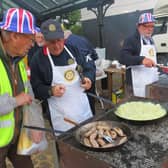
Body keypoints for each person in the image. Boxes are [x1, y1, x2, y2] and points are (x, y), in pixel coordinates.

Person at [30, 19, 95, 133]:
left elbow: (88, 66)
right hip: (61, 116)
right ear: (44, 40)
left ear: (64, 38)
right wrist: (50, 90)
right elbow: (35, 88)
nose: (56, 46)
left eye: (59, 40)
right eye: (51, 42)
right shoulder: (38, 59)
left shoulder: (73, 50)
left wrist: (88, 78)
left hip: (82, 108)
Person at [0, 8, 43, 168]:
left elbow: (29, 94)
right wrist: (15, 101)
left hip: (17, 135)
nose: (32, 45)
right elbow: (21, 99)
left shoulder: (18, 59)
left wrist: (36, 125)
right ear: (14, 36)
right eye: (30, 39)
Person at [119, 12, 158, 98]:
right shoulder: (131, 40)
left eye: (152, 26)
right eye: (146, 26)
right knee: (135, 108)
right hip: (135, 83)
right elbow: (122, 58)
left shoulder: (151, 40)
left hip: (151, 80)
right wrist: (141, 60)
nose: (150, 29)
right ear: (139, 26)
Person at [64, 30, 98, 113]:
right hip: (90, 73)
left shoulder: (67, 44)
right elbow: (95, 56)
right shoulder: (84, 39)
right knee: (91, 99)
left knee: (81, 103)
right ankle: (92, 116)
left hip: (79, 77)